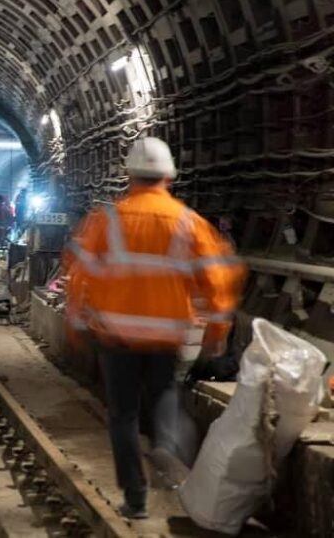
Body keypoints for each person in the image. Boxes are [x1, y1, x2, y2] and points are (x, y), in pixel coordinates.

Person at [65, 137, 245, 520]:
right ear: (168, 176)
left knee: (123, 415)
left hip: (117, 335)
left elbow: (79, 271)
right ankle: (166, 444)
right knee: (164, 393)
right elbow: (217, 278)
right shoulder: (187, 222)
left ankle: (135, 498)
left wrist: (76, 322)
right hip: (167, 334)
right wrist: (217, 328)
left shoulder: (108, 219)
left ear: (129, 175)